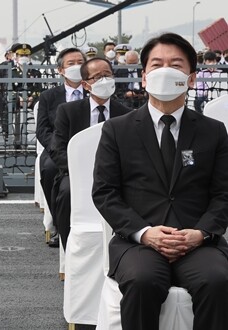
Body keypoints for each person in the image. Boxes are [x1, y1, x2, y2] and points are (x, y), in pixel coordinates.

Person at [93, 32, 228, 330]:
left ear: (191, 78)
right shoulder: (117, 130)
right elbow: (105, 192)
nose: (166, 71)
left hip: (197, 241)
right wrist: (144, 233)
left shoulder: (213, 131)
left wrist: (201, 233)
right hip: (139, 242)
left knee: (217, 281)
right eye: (157, 64)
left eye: (176, 65)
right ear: (143, 77)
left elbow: (224, 194)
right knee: (142, 282)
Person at [51, 57, 131, 250]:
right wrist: (79, 171)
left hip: (116, 175)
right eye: (97, 77)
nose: (104, 80)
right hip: (77, 174)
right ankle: (69, 247)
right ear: (86, 85)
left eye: (107, 75)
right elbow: (57, 149)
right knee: (66, 192)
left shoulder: (126, 113)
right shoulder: (68, 111)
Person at [36, 47, 86, 247]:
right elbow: (42, 130)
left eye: (80, 62)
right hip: (58, 151)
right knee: (49, 170)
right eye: (71, 63)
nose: (77, 67)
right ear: (60, 70)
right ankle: (59, 223)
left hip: (89, 150)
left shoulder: (94, 92)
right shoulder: (49, 96)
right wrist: (58, 150)